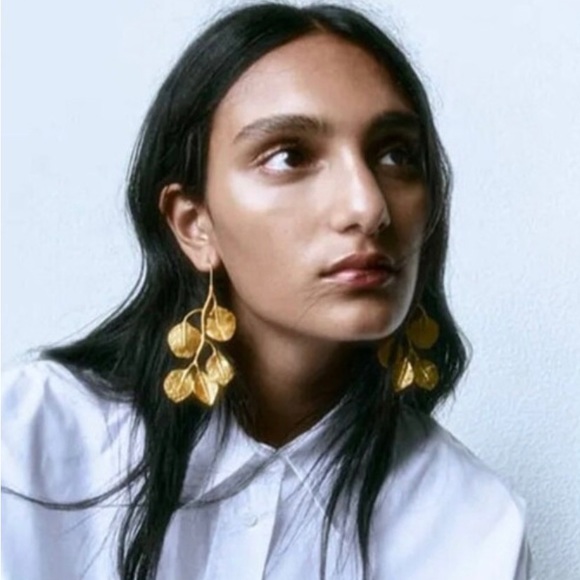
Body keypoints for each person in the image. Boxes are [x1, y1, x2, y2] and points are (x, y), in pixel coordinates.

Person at [1, 3, 532, 579]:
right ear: (194, 224)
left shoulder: (473, 523)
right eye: (289, 156)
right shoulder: (31, 441)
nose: (368, 206)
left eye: (395, 154)